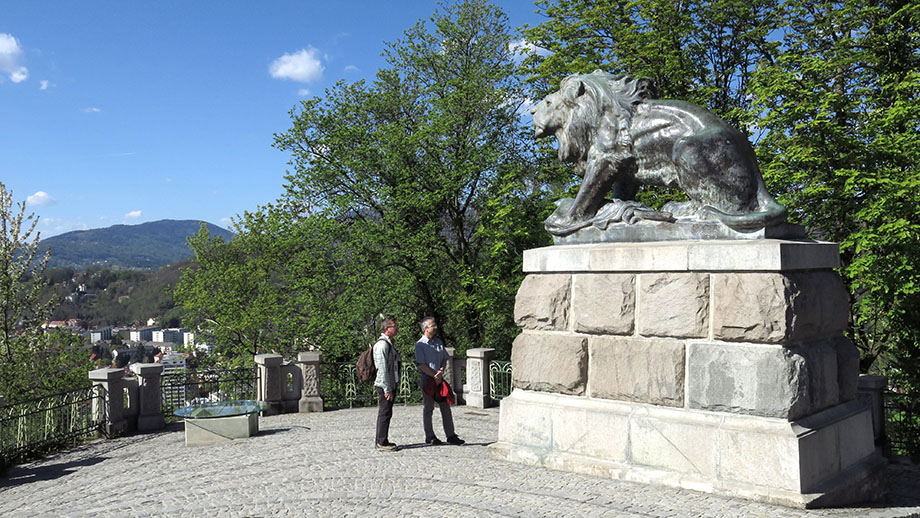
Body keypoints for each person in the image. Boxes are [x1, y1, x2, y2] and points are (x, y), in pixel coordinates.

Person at [414, 317, 464, 446]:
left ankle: (451, 435)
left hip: (439, 378)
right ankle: (430, 436)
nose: (435, 327)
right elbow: (421, 364)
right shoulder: (420, 345)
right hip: (428, 379)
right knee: (429, 408)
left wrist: (440, 371)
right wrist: (434, 375)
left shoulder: (438, 342)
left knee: (445, 406)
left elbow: (444, 358)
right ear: (425, 328)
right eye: (432, 325)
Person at [373, 317, 400, 451]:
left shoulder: (389, 343)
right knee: (384, 412)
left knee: (387, 412)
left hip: (389, 383)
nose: (397, 328)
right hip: (385, 385)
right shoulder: (382, 345)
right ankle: (381, 442)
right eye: (394, 326)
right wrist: (387, 388)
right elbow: (382, 368)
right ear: (387, 329)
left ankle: (383, 439)